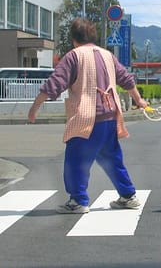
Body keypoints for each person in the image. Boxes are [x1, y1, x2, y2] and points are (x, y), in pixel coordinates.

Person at [28, 18, 148, 214]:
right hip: (110, 116)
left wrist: (34, 108)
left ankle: (78, 200)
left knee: (76, 161)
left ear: (74, 38)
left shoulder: (74, 56)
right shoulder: (107, 55)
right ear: (93, 36)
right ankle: (128, 195)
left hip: (86, 118)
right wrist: (140, 100)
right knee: (112, 158)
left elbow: (54, 83)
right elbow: (126, 80)